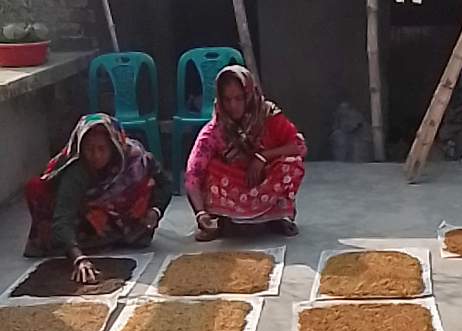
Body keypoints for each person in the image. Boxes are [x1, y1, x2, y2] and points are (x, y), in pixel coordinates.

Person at [25, 113, 172, 283]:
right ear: (81, 148)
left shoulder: (133, 156)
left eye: (102, 149)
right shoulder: (77, 171)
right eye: (89, 149)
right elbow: (62, 217)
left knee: (147, 183)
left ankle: (128, 233)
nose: (95, 156)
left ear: (114, 147)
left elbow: (165, 184)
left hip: (125, 219)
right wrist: (78, 258)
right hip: (85, 221)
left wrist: (155, 211)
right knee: (61, 233)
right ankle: (92, 240)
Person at [185, 65, 306, 242]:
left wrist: (263, 157)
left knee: (291, 164)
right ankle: (223, 220)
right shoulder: (215, 130)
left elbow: (299, 146)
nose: (233, 106)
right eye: (226, 100)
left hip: (264, 183)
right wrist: (200, 213)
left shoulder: (267, 115)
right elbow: (193, 174)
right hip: (234, 188)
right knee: (211, 168)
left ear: (248, 95)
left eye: (239, 99)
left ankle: (277, 216)